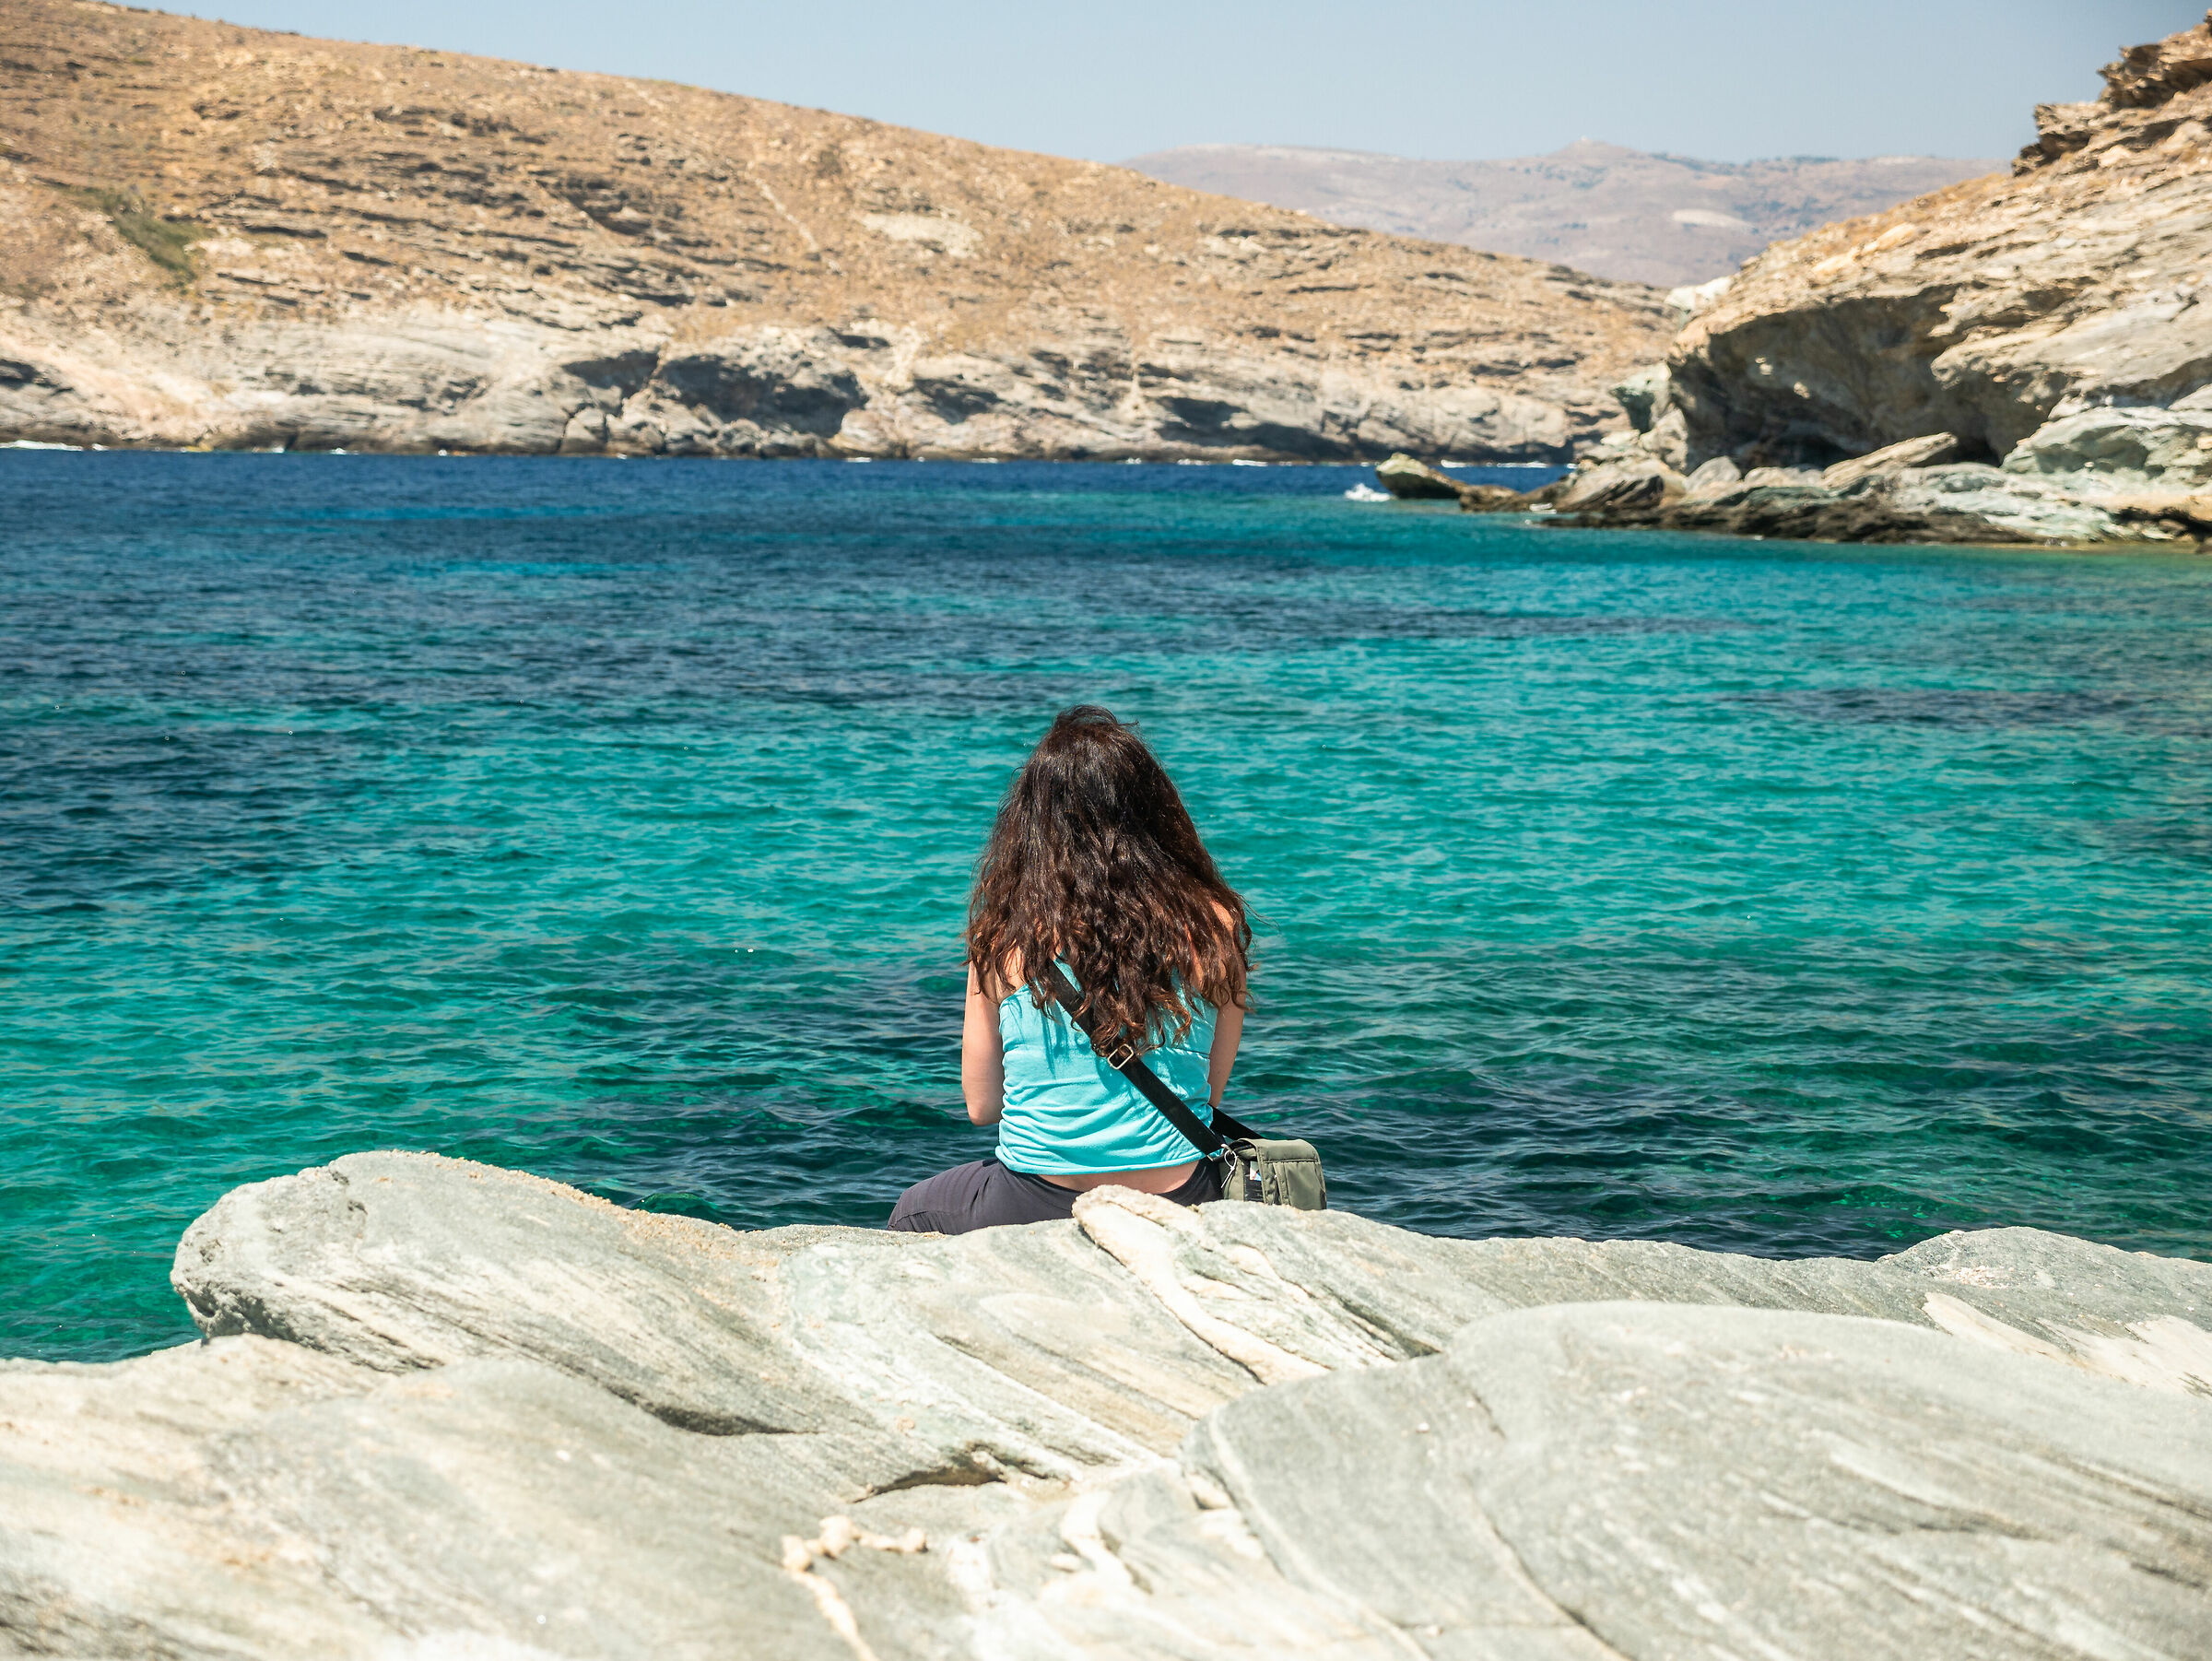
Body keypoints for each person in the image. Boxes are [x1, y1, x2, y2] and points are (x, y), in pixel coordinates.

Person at [888, 705, 1250, 1234]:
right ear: (1154, 810)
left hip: (1035, 1199)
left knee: (912, 1210)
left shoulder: (1005, 938)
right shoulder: (1216, 924)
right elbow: (1208, 1097)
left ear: (1032, 823)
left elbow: (983, 1105)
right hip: (1184, 1193)